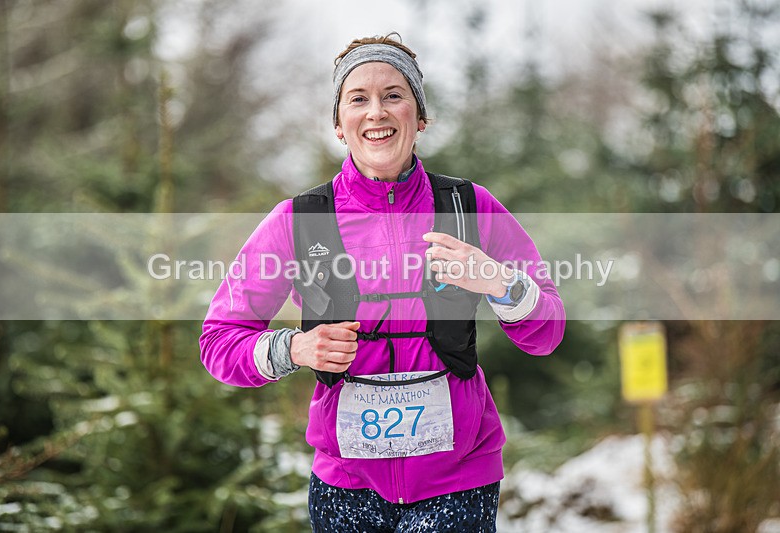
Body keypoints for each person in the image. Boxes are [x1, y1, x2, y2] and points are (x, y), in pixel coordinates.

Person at [200, 33, 565, 532]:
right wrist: (296, 349)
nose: (377, 112)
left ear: (420, 116)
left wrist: (502, 283)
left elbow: (547, 330)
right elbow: (219, 340)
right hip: (346, 485)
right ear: (338, 123)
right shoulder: (299, 220)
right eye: (358, 99)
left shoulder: (469, 206)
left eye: (394, 95)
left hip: (459, 479)